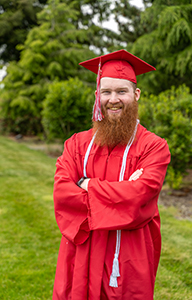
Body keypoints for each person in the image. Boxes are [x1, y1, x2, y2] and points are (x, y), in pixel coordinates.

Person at [52, 49, 171, 300]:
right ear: (97, 96)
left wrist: (86, 184)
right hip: (81, 251)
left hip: (127, 255)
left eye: (121, 91)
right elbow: (63, 195)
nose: (113, 99)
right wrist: (120, 190)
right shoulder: (76, 145)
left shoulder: (154, 147)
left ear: (136, 94)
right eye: (106, 92)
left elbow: (138, 198)